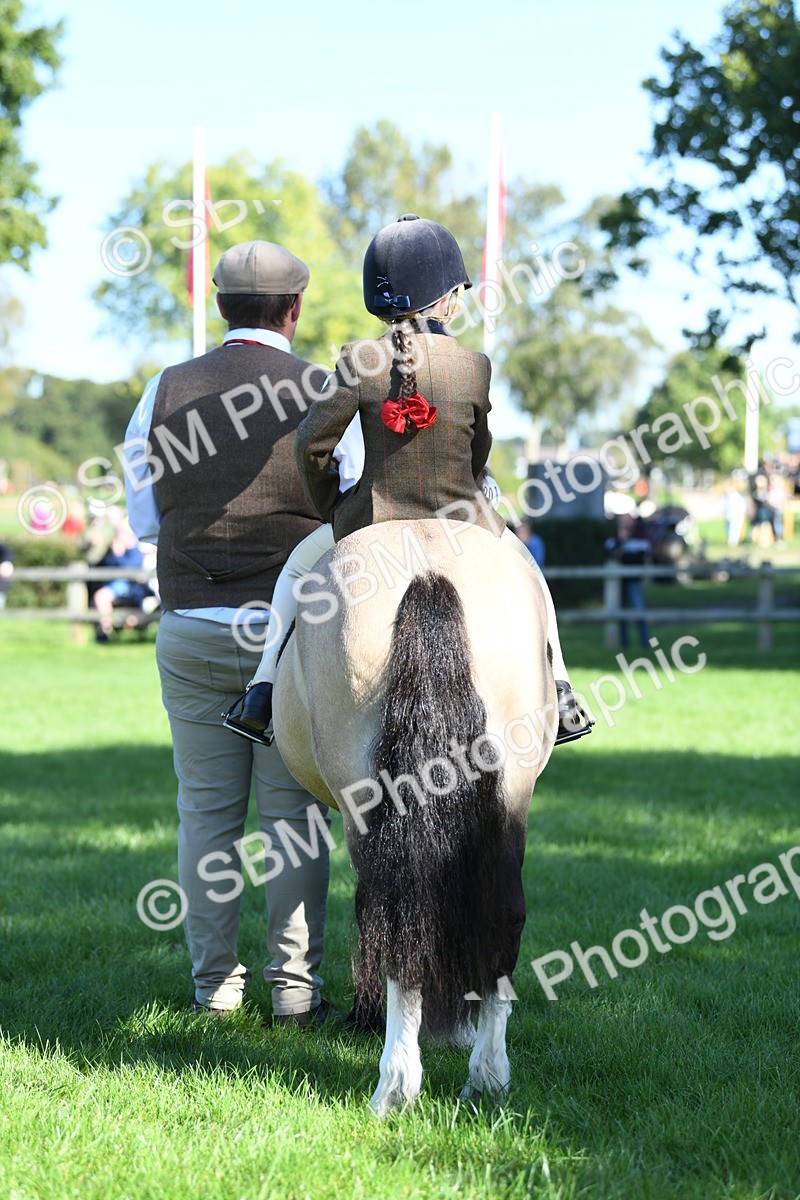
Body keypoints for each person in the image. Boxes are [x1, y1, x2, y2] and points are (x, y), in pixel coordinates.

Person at [225, 215, 592, 748]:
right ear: (445, 298)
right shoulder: (474, 366)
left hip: (369, 517)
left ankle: (261, 690)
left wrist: (338, 507)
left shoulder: (357, 360)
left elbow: (310, 445)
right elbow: (478, 453)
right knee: (529, 575)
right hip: (464, 517)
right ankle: (559, 686)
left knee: (294, 575)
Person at [123, 240, 334, 1023]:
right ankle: (294, 992)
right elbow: (347, 511)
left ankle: (214, 988)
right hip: (289, 637)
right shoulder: (323, 390)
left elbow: (146, 518)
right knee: (293, 819)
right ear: (295, 308)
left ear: (220, 307)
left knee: (206, 815)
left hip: (189, 623)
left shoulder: (164, 389)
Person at [91, 516, 158, 642]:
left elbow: (131, 568)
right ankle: (106, 630)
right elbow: (109, 566)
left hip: (134, 586)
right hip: (117, 584)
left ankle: (111, 629)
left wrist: (119, 555)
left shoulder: (136, 549)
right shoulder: (117, 548)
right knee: (101, 597)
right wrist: (116, 554)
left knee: (102, 597)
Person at [606, 513, 652, 648]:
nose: (625, 524)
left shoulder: (640, 537)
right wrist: (622, 539)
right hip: (617, 583)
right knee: (620, 614)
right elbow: (612, 554)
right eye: (622, 521)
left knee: (639, 611)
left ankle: (645, 643)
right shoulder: (614, 538)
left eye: (628, 521)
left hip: (634, 581)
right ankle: (623, 644)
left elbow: (641, 555)